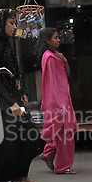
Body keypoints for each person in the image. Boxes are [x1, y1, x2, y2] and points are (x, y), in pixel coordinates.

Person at [0, 8, 44, 182]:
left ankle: (19, 175)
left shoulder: (6, 44)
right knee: (5, 144)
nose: (14, 27)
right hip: (0, 104)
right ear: (1, 24)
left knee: (30, 136)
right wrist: (10, 102)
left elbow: (13, 74)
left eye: (15, 23)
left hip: (13, 101)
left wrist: (22, 92)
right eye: (11, 23)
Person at [38, 27, 77, 174]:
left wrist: (65, 60)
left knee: (61, 131)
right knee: (66, 132)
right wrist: (60, 105)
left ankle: (48, 154)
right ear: (48, 41)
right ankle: (62, 166)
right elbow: (52, 83)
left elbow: (66, 74)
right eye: (55, 37)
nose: (59, 40)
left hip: (62, 98)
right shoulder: (49, 58)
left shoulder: (55, 56)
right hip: (59, 100)